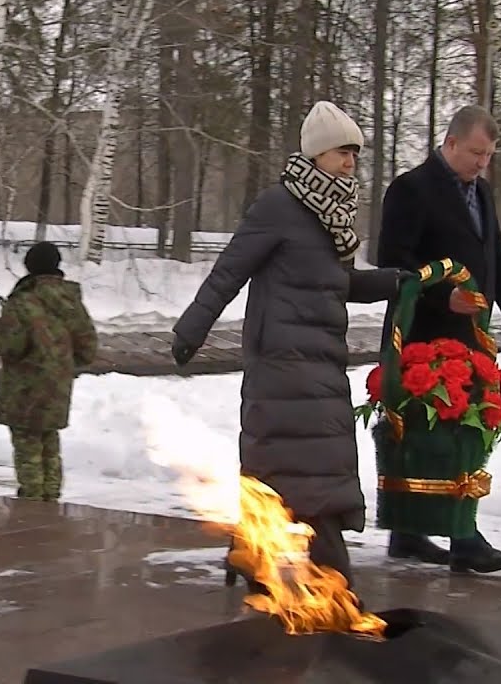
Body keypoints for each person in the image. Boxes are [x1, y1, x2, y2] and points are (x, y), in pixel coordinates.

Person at [171, 100, 406, 591]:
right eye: (344, 153)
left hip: (322, 361)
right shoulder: (279, 206)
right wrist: (191, 328)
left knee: (296, 468)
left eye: (355, 155)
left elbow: (341, 284)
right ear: (318, 153)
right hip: (281, 363)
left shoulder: (332, 218)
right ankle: (331, 575)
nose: (351, 163)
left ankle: (250, 552)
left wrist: (395, 282)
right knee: (304, 469)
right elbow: (229, 270)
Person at [376, 104, 501, 574]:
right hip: (423, 338)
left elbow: (496, 257)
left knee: (453, 434)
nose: (482, 163)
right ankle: (463, 538)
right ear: (450, 143)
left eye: (488, 156)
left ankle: (408, 533)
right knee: (438, 438)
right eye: (475, 153)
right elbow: (394, 264)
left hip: (469, 340)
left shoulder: (481, 194)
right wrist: (444, 300)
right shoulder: (411, 189)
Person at [0, 241, 98, 502]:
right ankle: (51, 500)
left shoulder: (22, 301)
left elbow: (11, 346)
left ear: (29, 266)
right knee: (49, 442)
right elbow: (88, 348)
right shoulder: (71, 301)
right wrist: (60, 363)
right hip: (57, 387)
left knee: (27, 446)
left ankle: (32, 504)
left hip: (24, 387)